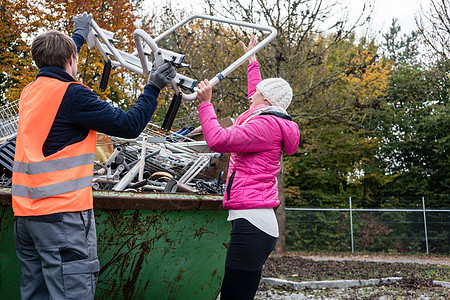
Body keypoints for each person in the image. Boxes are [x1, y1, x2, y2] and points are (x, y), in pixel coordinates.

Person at [11, 12, 175, 299]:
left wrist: (79, 35)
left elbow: (56, 62)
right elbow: (129, 125)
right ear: (71, 60)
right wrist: (153, 87)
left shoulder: (31, 92)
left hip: (27, 217)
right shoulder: (72, 95)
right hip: (61, 219)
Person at [196, 34, 300, 299]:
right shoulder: (268, 118)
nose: (251, 95)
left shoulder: (264, 126)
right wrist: (251, 60)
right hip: (255, 220)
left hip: (252, 223)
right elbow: (257, 90)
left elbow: (218, 140)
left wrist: (206, 104)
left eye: (256, 94)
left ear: (265, 100)